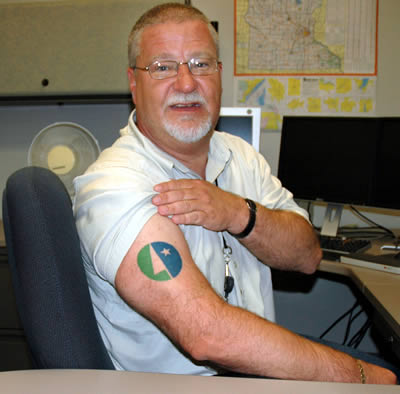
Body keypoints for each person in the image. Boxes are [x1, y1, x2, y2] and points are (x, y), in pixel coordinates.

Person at [73, 3, 397, 384]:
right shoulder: (114, 185)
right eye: (162, 67)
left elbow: (307, 256)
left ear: (219, 75)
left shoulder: (239, 156)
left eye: (201, 63)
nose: (187, 83)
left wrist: (239, 213)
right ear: (133, 82)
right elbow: (206, 334)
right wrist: (359, 377)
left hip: (250, 368)